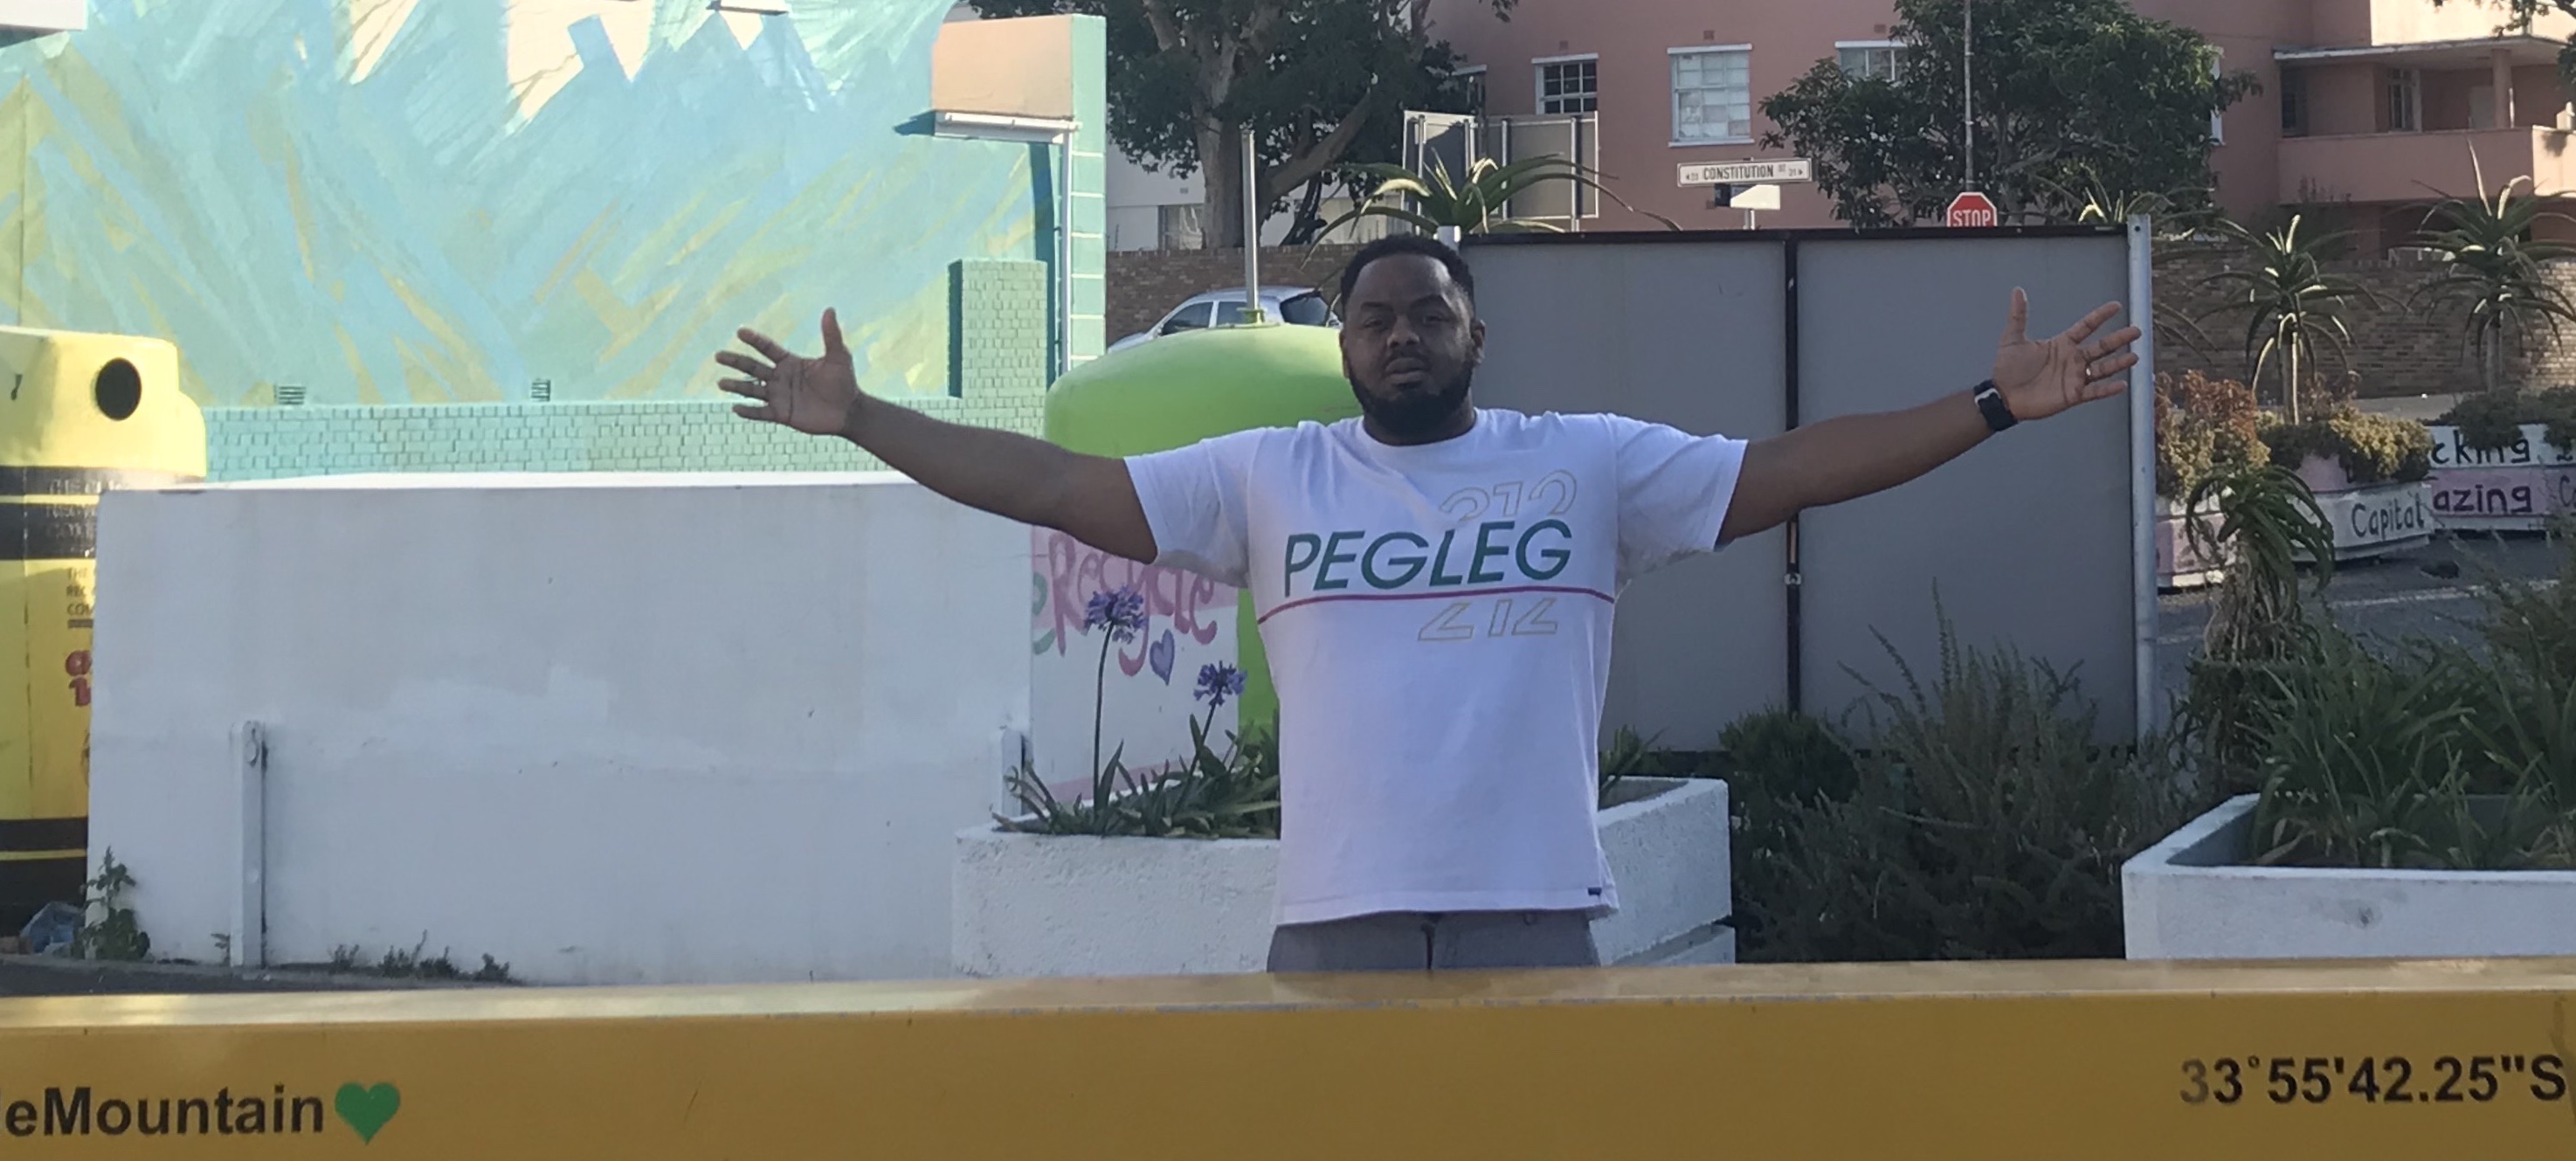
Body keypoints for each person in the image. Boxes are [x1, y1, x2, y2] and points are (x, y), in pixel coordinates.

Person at [716, 231, 2137, 974]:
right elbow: (1050, 482)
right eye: (1376, 316)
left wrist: (1990, 408)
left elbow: (1791, 469)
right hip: (1337, 923)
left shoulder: (1584, 462)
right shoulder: (1268, 478)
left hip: (1534, 912)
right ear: (1342, 344)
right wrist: (868, 419)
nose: (1403, 333)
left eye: (1429, 312)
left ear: (1476, 332)